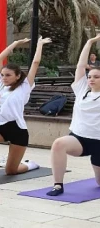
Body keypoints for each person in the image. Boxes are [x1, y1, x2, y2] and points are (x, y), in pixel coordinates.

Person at [0, 37, 52, 180]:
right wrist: (15, 43)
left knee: (11, 171)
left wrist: (40, 45)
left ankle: (30, 164)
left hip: (17, 131)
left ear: (17, 76)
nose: (4, 77)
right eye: (3, 75)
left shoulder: (24, 87)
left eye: (8, 75)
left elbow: (35, 63)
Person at [47, 34, 100, 196]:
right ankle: (58, 185)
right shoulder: (82, 90)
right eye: (90, 76)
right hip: (80, 139)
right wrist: (90, 42)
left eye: (96, 77)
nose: (91, 79)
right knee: (58, 144)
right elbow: (80, 66)